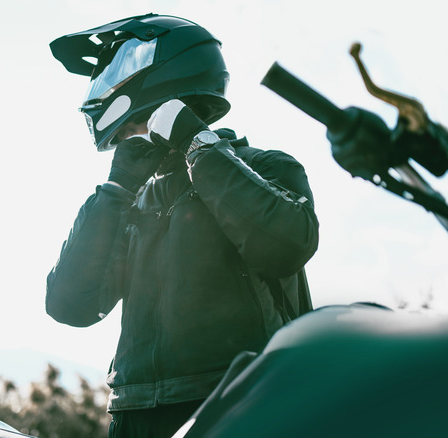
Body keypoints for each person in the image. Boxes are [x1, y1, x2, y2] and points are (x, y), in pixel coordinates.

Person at [46, 13, 319, 438]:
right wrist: (116, 190)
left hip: (239, 405)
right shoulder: (132, 201)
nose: (123, 139)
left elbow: (285, 246)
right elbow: (70, 305)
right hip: (134, 414)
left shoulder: (266, 167)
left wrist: (198, 144)